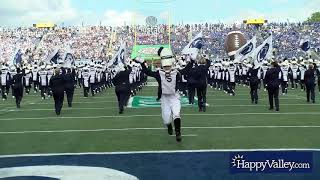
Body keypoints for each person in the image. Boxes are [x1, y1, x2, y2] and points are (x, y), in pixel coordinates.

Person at [135, 47, 184, 142]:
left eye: (168, 66)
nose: (167, 68)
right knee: (166, 119)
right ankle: (169, 125)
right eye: (165, 66)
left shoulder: (177, 73)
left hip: (174, 97)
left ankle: (178, 133)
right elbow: (147, 72)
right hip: (164, 98)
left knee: (176, 114)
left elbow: (187, 70)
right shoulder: (159, 73)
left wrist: (192, 61)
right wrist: (142, 63)